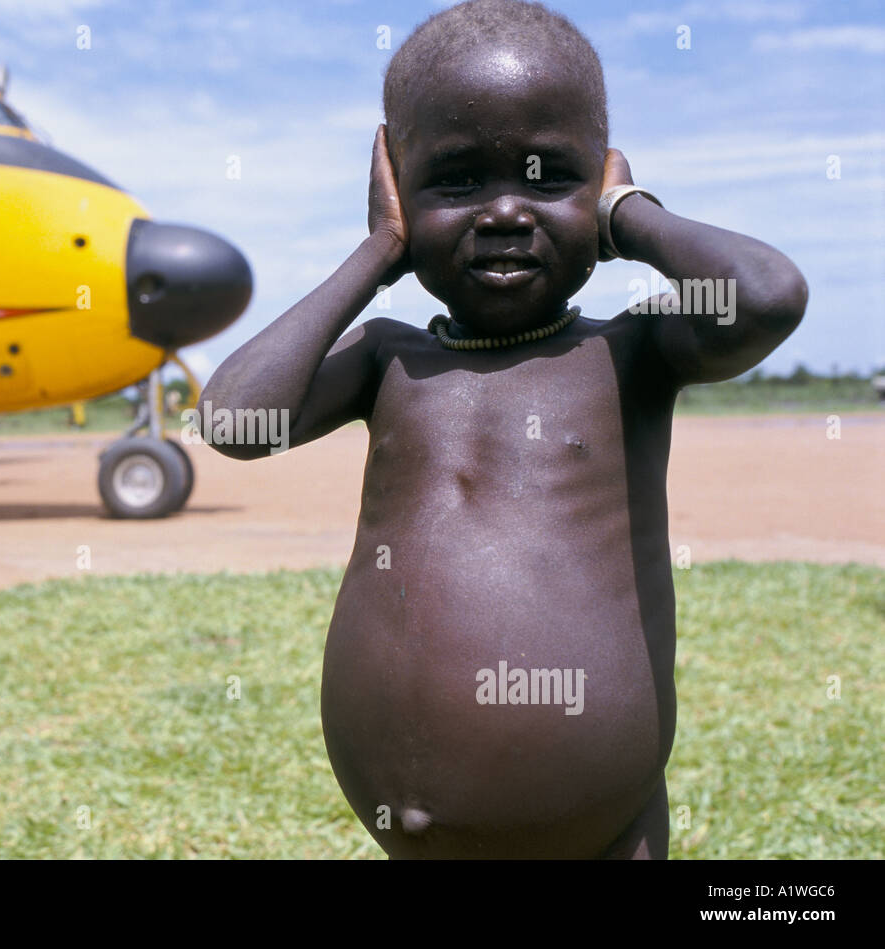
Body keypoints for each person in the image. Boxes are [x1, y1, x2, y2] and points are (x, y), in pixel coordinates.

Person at [199, 0, 807, 858]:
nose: (506, 213)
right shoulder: (387, 359)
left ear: (598, 179)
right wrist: (376, 252)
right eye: (454, 180)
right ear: (400, 193)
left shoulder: (631, 353)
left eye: (551, 174)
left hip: (602, 836)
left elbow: (768, 295)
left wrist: (626, 209)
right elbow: (233, 418)